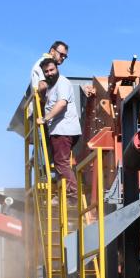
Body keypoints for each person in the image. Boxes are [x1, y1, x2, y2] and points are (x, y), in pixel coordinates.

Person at [36, 57, 81, 205]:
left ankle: (72, 196)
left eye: (51, 69)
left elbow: (61, 103)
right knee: (59, 162)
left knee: (61, 162)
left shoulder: (62, 82)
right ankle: (62, 193)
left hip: (63, 128)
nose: (49, 73)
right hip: (58, 129)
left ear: (57, 68)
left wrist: (44, 118)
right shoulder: (51, 87)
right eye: (46, 72)